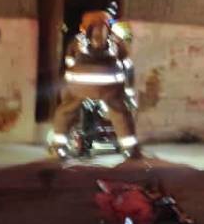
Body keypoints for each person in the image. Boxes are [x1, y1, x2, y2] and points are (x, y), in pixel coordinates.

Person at [49, 10, 141, 158]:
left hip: (79, 87)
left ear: (84, 25)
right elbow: (127, 64)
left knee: (65, 111)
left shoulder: (77, 41)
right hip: (109, 87)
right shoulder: (116, 40)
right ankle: (130, 149)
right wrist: (129, 93)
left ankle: (58, 148)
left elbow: (69, 62)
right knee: (120, 113)